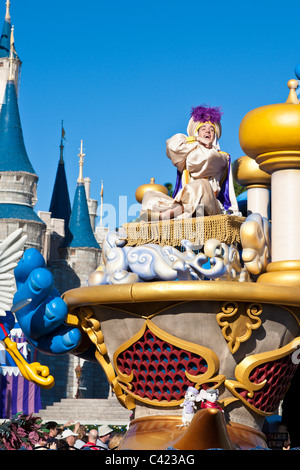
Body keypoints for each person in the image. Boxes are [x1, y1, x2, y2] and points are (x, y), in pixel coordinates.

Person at [140, 105, 240, 221]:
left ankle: (166, 215)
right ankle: (174, 211)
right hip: (182, 203)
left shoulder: (221, 157)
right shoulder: (189, 151)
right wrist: (196, 140)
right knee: (150, 196)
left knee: (201, 185)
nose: (208, 131)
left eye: (211, 129)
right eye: (203, 128)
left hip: (210, 206)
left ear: (215, 137)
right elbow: (172, 145)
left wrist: (193, 146)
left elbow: (203, 159)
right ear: (197, 133)